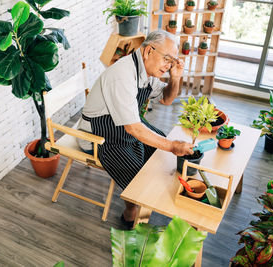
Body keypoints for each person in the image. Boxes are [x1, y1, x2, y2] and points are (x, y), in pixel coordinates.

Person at [77, 30, 195, 228]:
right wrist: (174, 146)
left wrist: (175, 77)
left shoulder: (146, 71)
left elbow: (166, 99)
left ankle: (153, 195)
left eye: (173, 61)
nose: (169, 66)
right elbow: (134, 129)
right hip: (97, 134)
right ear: (149, 51)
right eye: (167, 59)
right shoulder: (122, 75)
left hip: (123, 125)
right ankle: (131, 211)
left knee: (159, 143)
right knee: (136, 169)